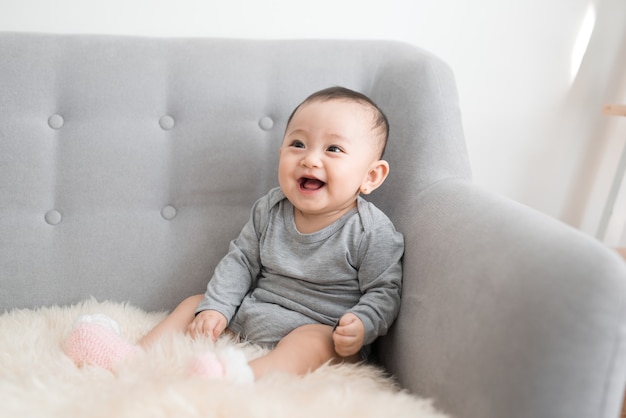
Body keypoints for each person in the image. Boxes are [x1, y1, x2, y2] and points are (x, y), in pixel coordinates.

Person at [64, 86, 404, 382]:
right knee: (194, 304)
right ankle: (130, 356)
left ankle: (242, 377)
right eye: (298, 144)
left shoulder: (370, 231)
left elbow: (383, 291)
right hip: (255, 311)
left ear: (371, 176)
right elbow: (241, 261)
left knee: (313, 342)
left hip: (318, 326)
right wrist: (217, 309)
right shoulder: (271, 208)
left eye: (333, 149)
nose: (310, 159)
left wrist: (361, 325)